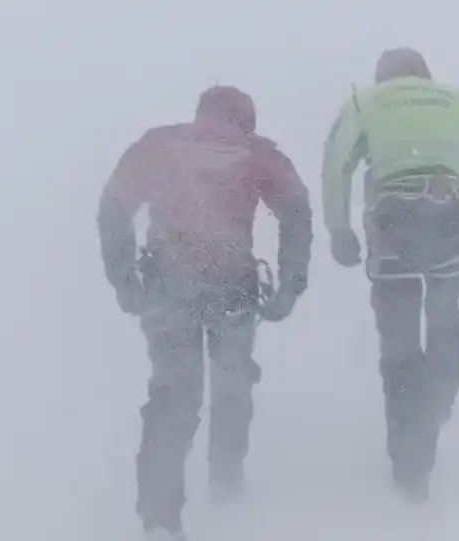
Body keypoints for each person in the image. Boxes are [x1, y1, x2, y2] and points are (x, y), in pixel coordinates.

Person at [96, 85, 312, 541]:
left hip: (167, 282)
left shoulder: (159, 144)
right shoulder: (256, 152)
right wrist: (291, 281)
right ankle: (227, 483)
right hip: (231, 285)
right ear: (244, 118)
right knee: (232, 383)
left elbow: (114, 204)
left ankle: (159, 516)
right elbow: (296, 209)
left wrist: (123, 277)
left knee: (174, 394)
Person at [320, 47, 459, 503]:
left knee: (399, 344)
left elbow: (336, 165)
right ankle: (439, 402)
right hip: (450, 216)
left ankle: (410, 462)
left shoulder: (364, 103)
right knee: (446, 314)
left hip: (393, 223)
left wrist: (340, 231)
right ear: (426, 75)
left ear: (382, 77)